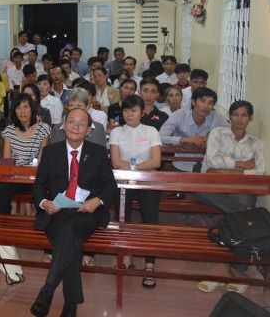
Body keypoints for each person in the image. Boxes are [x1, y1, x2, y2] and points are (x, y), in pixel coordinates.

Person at [29, 108, 117, 317]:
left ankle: (48, 289)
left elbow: (110, 186)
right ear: (63, 125)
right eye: (71, 122)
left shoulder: (97, 152)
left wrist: (98, 200)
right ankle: (70, 305)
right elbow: (39, 186)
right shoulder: (51, 152)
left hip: (86, 213)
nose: (75, 127)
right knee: (71, 242)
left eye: (81, 124)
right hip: (57, 212)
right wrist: (44, 203)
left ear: (88, 130)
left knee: (69, 232)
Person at [197, 100, 265, 292]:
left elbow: (259, 171)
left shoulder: (255, 143)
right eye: (235, 114)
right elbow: (212, 162)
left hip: (240, 188)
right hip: (215, 185)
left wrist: (226, 171)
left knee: (238, 216)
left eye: (244, 115)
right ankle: (244, 211)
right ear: (229, 117)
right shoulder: (218, 133)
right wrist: (242, 166)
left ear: (250, 118)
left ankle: (230, 271)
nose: (239, 119)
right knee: (202, 191)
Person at [109, 95, 162, 288]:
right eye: (126, 110)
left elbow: (156, 162)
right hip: (122, 180)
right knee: (122, 217)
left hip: (147, 181)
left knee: (150, 219)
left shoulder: (151, 131)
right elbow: (116, 162)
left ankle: (150, 263)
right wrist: (140, 167)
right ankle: (126, 255)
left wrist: (133, 168)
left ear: (142, 112)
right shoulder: (117, 132)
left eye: (133, 110)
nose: (129, 114)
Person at [0, 94, 50, 215]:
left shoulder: (43, 129)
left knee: (5, 187)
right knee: (4, 186)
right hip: (15, 176)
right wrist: (18, 170)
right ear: (14, 111)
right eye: (18, 107)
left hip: (35, 177)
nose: (22, 111)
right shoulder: (9, 131)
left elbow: (42, 161)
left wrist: (25, 170)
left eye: (25, 107)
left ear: (32, 109)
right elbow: (7, 162)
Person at [160, 87, 229, 172]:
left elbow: (231, 136)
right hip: (182, 165)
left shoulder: (216, 117)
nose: (206, 106)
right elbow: (161, 137)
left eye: (210, 103)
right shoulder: (180, 115)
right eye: (202, 101)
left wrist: (211, 140)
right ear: (193, 102)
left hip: (208, 166)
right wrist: (186, 140)